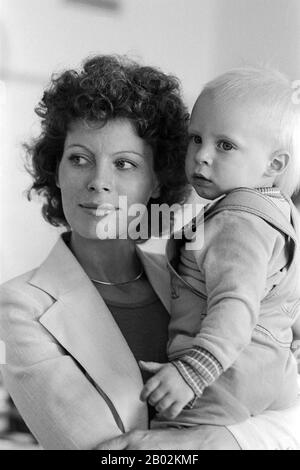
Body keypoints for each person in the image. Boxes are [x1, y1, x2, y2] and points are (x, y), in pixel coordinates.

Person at [0, 56, 300, 451]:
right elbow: (110, 455)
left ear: (158, 180)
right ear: (55, 170)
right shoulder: (22, 306)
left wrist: (215, 441)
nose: (98, 182)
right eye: (78, 159)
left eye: (125, 164)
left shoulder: (189, 274)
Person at [137, 67, 300, 427]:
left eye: (225, 145)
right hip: (274, 373)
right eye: (196, 138)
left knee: (170, 442)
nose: (201, 156)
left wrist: (191, 373)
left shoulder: (236, 223)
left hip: (225, 379)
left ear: (273, 164)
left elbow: (235, 305)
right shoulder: (279, 213)